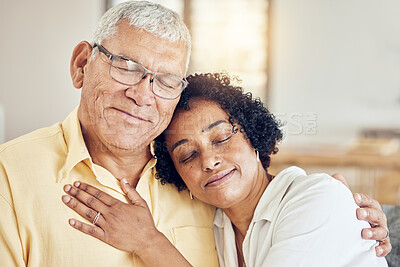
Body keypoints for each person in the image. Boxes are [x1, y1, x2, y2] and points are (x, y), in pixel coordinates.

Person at [0, 1, 389, 266]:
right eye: (125, 66)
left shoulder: (205, 190)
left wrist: (356, 213)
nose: (141, 95)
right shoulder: (11, 176)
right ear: (82, 64)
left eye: (165, 80)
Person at [62, 73, 389, 266]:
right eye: (188, 155)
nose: (209, 160)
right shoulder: (219, 226)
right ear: (180, 177)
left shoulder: (317, 198)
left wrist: (148, 242)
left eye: (221, 137)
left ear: (254, 136)